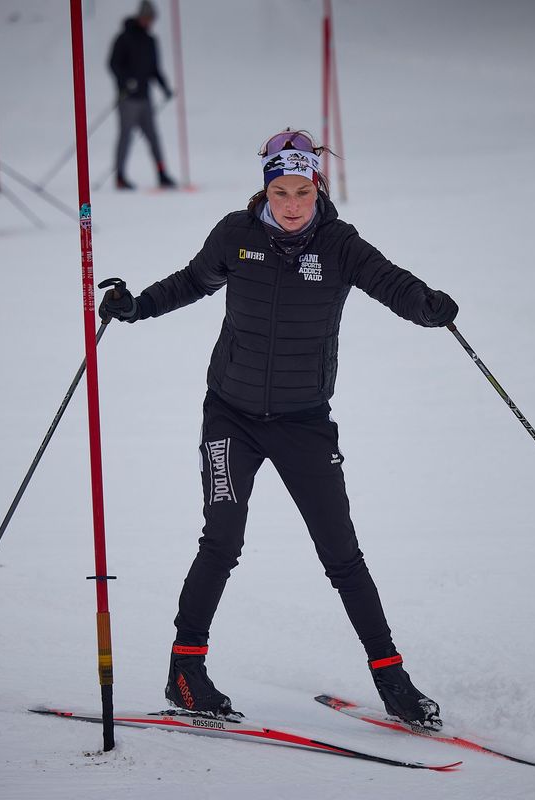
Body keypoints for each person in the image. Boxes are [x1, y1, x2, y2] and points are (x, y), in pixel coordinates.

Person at [98, 129, 459, 729]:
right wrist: (137, 308)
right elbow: (193, 281)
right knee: (222, 541)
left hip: (304, 423)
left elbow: (391, 282)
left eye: (302, 191)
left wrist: (427, 306)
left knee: (341, 553)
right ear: (264, 187)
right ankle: (185, 671)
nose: (292, 204)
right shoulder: (236, 236)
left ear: (317, 187)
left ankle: (391, 677)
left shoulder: (340, 245)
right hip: (231, 416)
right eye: (280, 190)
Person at [108, 0, 177, 191]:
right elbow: (113, 64)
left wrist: (165, 88)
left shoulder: (150, 41)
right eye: (147, 18)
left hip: (145, 98)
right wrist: (125, 81)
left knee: (153, 138)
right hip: (128, 99)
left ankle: (162, 173)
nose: (149, 22)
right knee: (126, 137)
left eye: (151, 19)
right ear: (140, 17)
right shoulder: (124, 38)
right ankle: (120, 176)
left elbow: (154, 68)